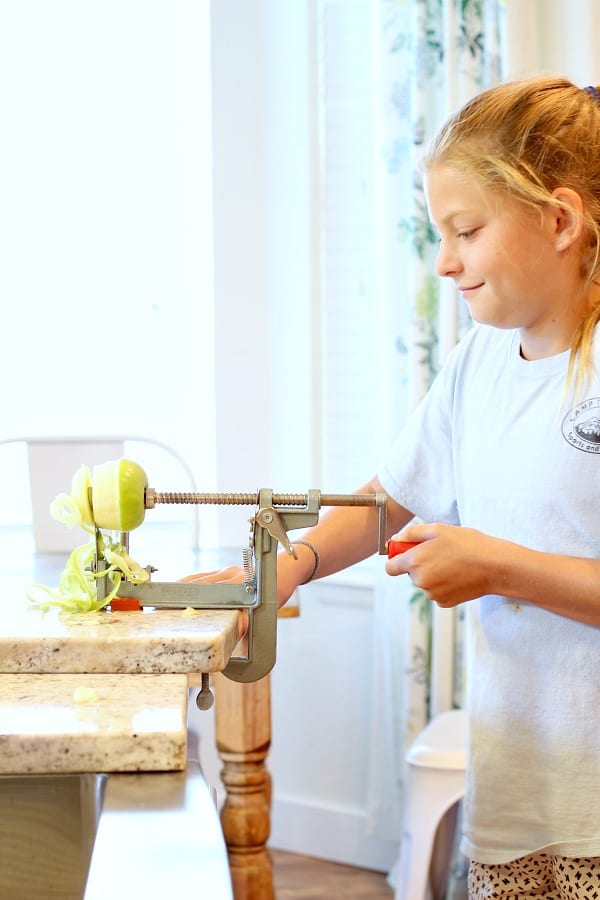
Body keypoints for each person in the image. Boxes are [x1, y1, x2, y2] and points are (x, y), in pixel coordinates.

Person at [187, 76, 600, 898]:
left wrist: (500, 566)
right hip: (521, 786)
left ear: (560, 219)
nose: (445, 262)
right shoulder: (481, 362)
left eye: (467, 231)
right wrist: (278, 571)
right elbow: (391, 499)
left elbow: (502, 560)